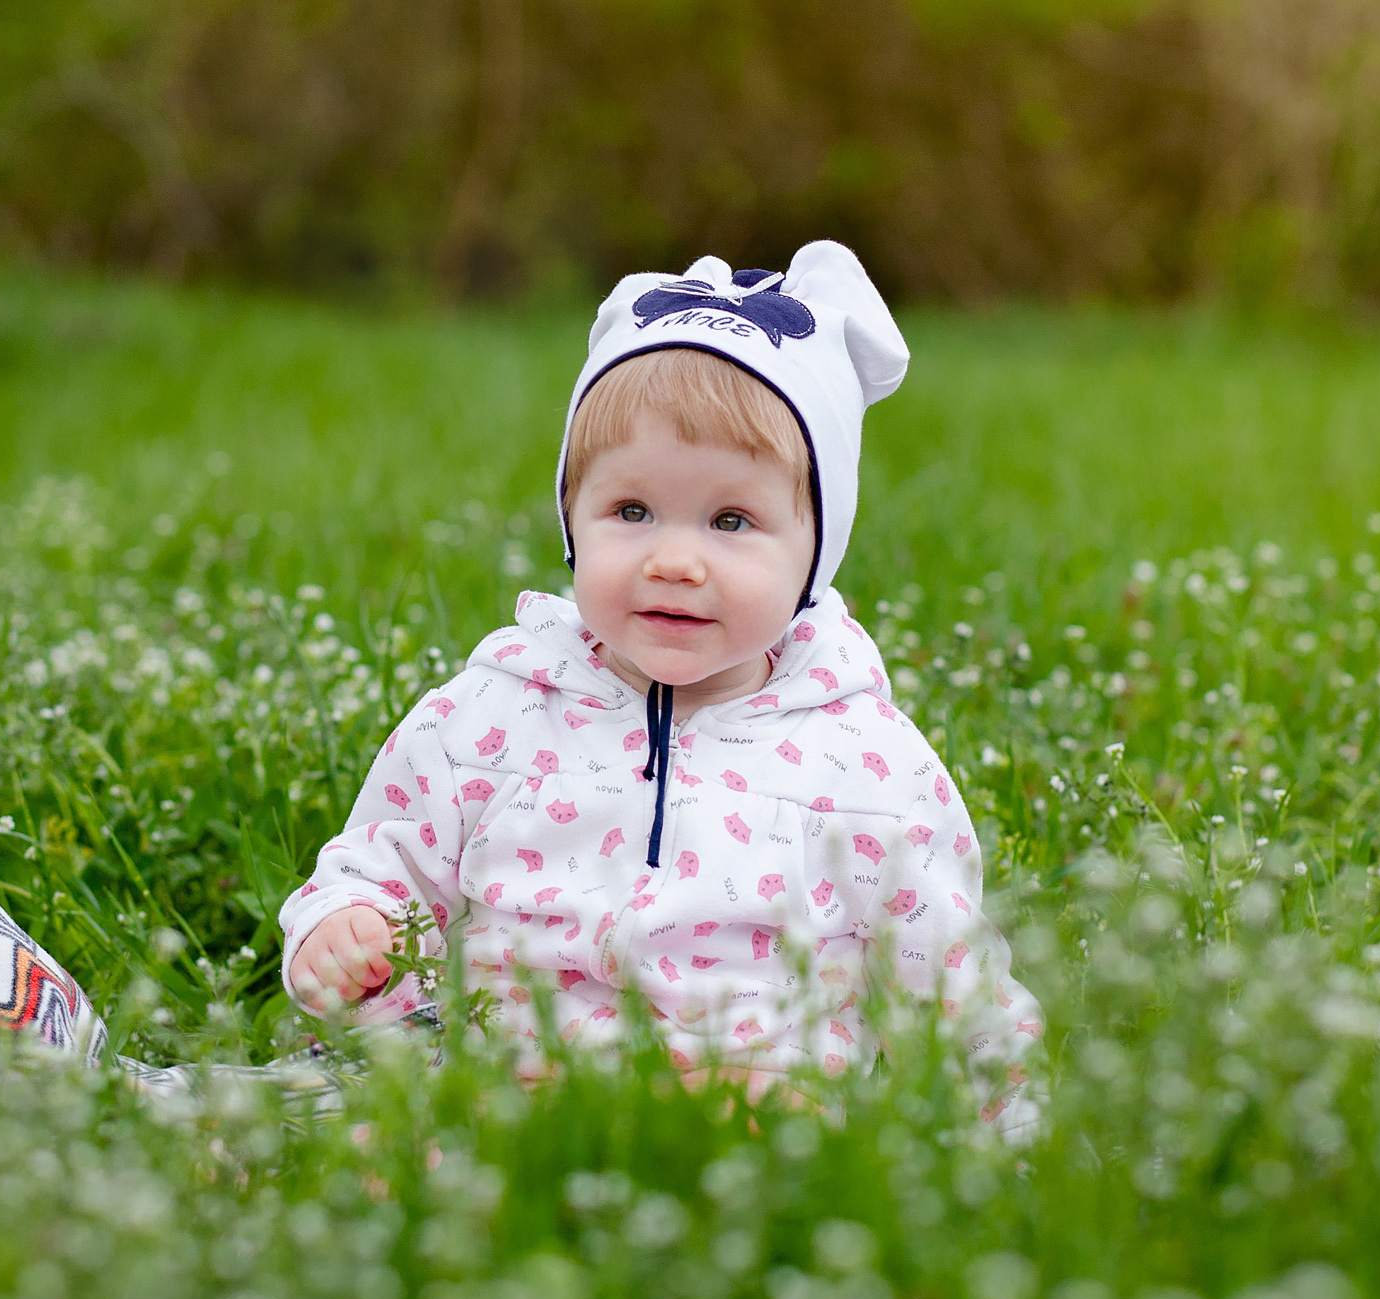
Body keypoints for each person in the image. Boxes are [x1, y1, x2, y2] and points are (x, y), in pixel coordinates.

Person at [279, 241, 1042, 1135]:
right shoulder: (492, 713)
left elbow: (951, 979)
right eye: (631, 512)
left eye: (731, 521)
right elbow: (384, 858)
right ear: (573, 520)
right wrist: (347, 928)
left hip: (750, 1106)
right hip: (506, 1098)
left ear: (815, 553)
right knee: (336, 1125)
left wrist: (1009, 1141)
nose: (673, 560)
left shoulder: (867, 766)